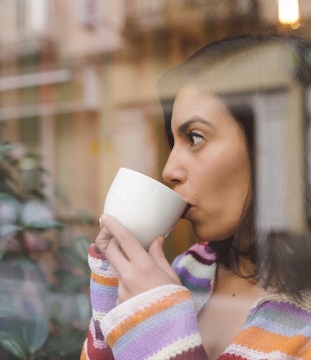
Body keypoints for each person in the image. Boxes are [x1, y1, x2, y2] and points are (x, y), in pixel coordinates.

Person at [81, 34, 311, 360]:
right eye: (173, 142)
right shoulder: (188, 271)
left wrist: (158, 329)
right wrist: (113, 298)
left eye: (195, 137)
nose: (169, 169)